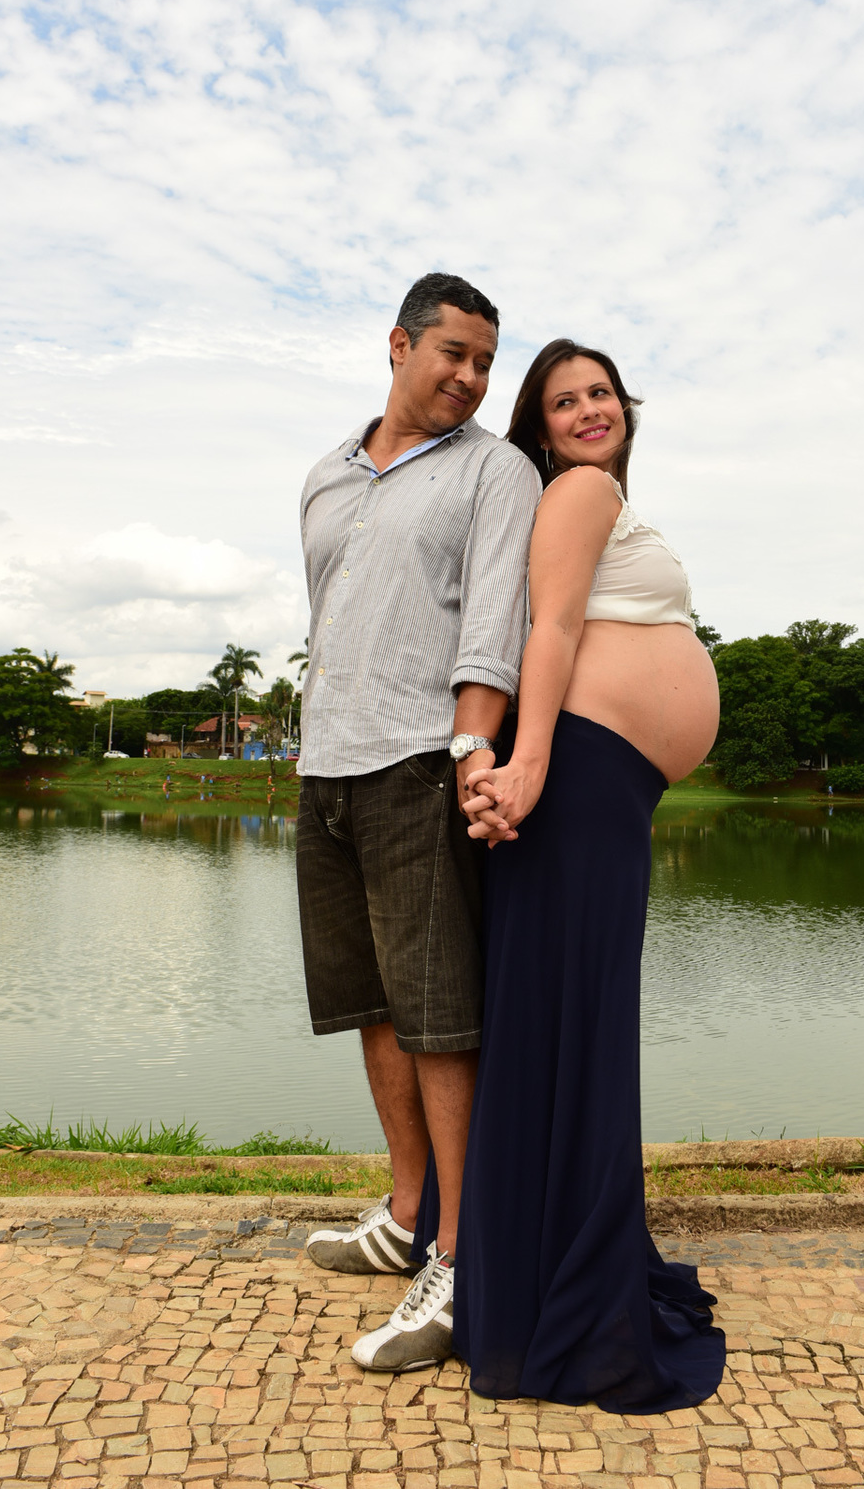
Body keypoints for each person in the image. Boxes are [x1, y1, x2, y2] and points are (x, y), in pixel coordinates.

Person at [455, 337, 727, 1412]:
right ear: (542, 425)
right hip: (575, 774)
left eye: (600, 392)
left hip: (604, 781)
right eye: (564, 401)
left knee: (570, 1023)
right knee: (576, 1024)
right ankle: (557, 1301)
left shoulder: (594, 496)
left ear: (625, 405)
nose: (587, 411)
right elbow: (556, 627)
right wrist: (525, 765)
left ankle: (540, 1277)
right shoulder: (578, 491)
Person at [295, 272, 540, 1371]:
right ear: (399, 345)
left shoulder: (495, 470)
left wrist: (471, 747)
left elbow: (492, 623)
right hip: (326, 767)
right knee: (373, 1005)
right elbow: (332, 621)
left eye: (486, 361)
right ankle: (405, 1215)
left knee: (439, 1014)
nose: (473, 378)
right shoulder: (324, 476)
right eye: (456, 354)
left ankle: (459, 1256)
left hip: (418, 767)